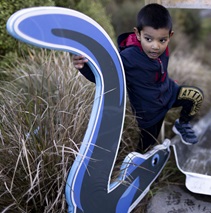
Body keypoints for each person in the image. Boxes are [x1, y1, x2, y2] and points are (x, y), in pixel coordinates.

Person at [73, 3, 203, 152]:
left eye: (162, 40)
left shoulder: (162, 47)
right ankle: (135, 166)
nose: (155, 46)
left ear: (169, 36)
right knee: (147, 147)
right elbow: (105, 75)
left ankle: (182, 124)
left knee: (196, 96)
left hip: (169, 93)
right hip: (150, 113)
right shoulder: (128, 58)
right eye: (148, 39)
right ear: (138, 34)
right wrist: (82, 67)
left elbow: (159, 70)